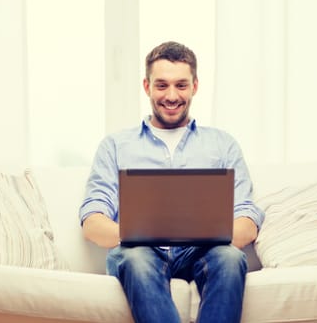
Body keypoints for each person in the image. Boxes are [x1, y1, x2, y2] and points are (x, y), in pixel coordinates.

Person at [79, 41, 264, 323]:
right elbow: (92, 221)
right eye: (162, 85)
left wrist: (207, 233)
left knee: (229, 258)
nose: (171, 95)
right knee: (136, 258)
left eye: (181, 85)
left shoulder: (222, 144)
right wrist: (138, 233)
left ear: (195, 86)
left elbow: (247, 219)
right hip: (141, 252)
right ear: (146, 86)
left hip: (203, 251)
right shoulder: (115, 145)